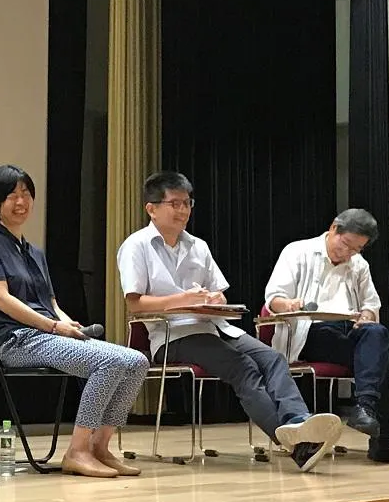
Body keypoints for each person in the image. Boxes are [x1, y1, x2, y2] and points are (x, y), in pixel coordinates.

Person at [118, 171, 343, 472]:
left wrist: (216, 300)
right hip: (173, 335)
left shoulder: (198, 246)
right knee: (243, 369)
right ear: (152, 208)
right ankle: (297, 446)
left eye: (187, 203)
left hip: (215, 326)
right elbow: (134, 303)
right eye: (175, 203)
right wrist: (182, 300)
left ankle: (297, 424)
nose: (183, 210)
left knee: (274, 358)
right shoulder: (137, 246)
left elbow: (220, 292)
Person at [0, 165, 149, 478]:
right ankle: (77, 451)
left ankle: (100, 446)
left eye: (26, 194)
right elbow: (1, 299)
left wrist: (69, 326)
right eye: (11, 195)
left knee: (136, 361)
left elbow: (51, 303)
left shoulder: (34, 251)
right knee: (108, 363)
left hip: (50, 334)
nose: (21, 201)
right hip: (17, 340)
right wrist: (54, 327)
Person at [264, 209, 389, 463]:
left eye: (357, 249)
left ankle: (365, 408)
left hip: (349, 330)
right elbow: (273, 299)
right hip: (309, 331)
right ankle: (383, 438)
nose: (349, 253)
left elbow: (371, 305)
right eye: (347, 244)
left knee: (377, 333)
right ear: (334, 228)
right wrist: (290, 304)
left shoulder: (358, 264)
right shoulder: (298, 252)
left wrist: (367, 316)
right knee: (378, 358)